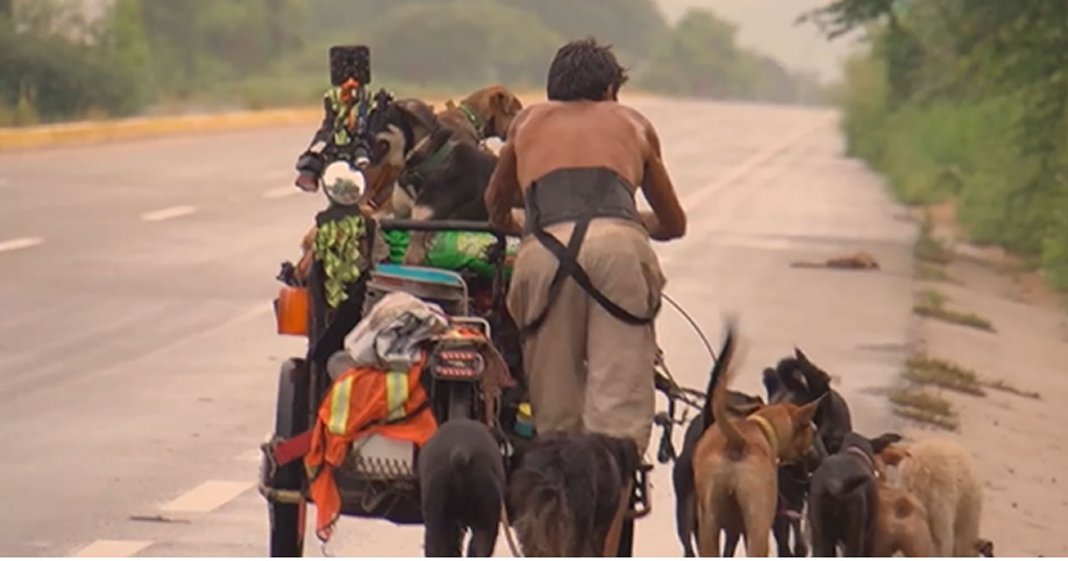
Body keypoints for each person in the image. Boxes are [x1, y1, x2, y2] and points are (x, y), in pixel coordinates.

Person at [483, 38, 687, 457]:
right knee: (616, 424)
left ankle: (560, 497)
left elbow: (495, 205)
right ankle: (611, 511)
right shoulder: (633, 123)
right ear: (611, 90)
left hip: (543, 254)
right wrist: (625, 220)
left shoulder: (526, 124)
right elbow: (673, 223)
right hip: (619, 251)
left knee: (555, 420)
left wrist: (525, 226)